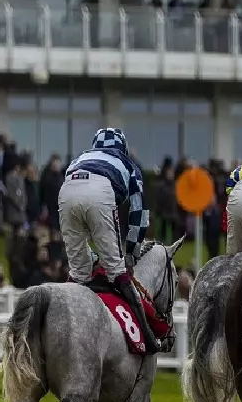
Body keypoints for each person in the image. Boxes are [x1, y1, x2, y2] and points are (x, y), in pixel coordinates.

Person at [58, 128, 166, 352]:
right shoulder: (127, 163)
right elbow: (139, 214)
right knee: (117, 270)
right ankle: (147, 334)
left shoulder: (81, 157)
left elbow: (76, 201)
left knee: (79, 273)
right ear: (123, 147)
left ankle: (61, 330)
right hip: (100, 190)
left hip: (67, 190)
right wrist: (131, 253)